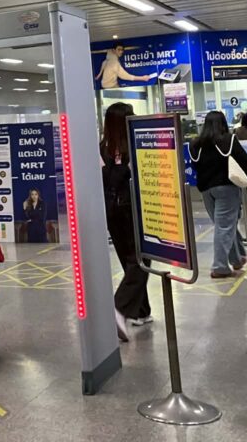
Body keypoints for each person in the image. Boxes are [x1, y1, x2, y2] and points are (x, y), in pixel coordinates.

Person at [99, 102, 152, 343]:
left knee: (129, 260)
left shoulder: (103, 148)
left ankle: (141, 311)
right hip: (134, 210)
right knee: (140, 260)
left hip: (111, 212)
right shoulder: (135, 145)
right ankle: (119, 308)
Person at [190, 111, 247, 278]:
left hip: (206, 189)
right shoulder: (228, 140)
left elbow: (195, 166)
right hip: (226, 188)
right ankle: (219, 266)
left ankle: (236, 258)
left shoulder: (195, 144)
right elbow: (244, 160)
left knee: (224, 225)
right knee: (225, 226)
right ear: (222, 123)